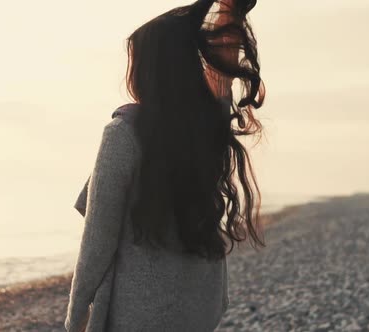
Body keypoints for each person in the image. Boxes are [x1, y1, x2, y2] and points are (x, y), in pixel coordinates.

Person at [65, 1, 265, 331]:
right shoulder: (205, 127)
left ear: (148, 70)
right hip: (199, 304)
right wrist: (230, 12)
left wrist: (74, 320)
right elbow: (223, 76)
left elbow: (97, 243)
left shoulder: (123, 134)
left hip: (140, 311)